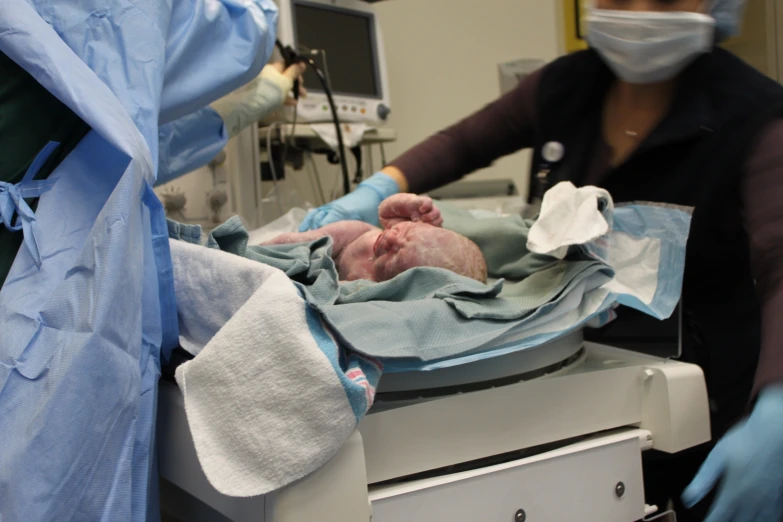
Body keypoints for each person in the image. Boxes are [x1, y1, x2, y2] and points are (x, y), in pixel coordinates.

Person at [300, 0, 783, 520]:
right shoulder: (567, 85)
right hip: (570, 387)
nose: (639, 9)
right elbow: (463, 142)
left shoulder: (756, 114)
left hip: (708, 414)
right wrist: (377, 188)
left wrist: (778, 404)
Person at [0, 1, 282, 520]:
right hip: (40, 298)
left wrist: (244, 108)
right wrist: (267, 80)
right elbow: (244, 34)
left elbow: (112, 136)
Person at [262, 193, 487, 283]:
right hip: (348, 238)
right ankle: (257, 252)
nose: (390, 239)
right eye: (406, 231)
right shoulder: (408, 229)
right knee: (291, 242)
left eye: (395, 255)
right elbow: (386, 211)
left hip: (331, 274)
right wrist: (411, 205)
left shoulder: (376, 285)